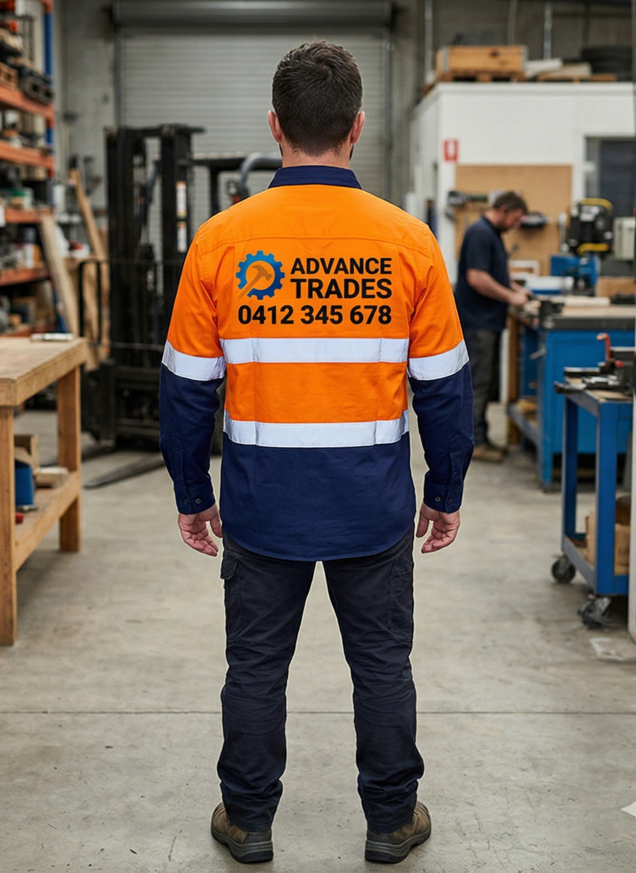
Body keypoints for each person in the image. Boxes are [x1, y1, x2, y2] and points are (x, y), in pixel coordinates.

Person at [160, 41, 473, 865]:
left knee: (256, 667)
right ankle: (391, 819)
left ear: (275, 124)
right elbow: (444, 388)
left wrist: (193, 492)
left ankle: (250, 818)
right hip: (372, 506)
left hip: (263, 507)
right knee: (382, 667)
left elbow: (187, 390)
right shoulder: (407, 242)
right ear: (356, 129)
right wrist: (445, 489)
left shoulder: (222, 240)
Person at [454, 191, 532, 462]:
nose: (516, 225)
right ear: (505, 209)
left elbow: (491, 273)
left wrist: (515, 287)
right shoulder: (480, 233)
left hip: (486, 321)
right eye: (516, 218)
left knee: (485, 383)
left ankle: (481, 438)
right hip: (477, 323)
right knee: (479, 383)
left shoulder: (491, 234)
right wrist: (511, 297)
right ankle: (476, 443)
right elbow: (476, 277)